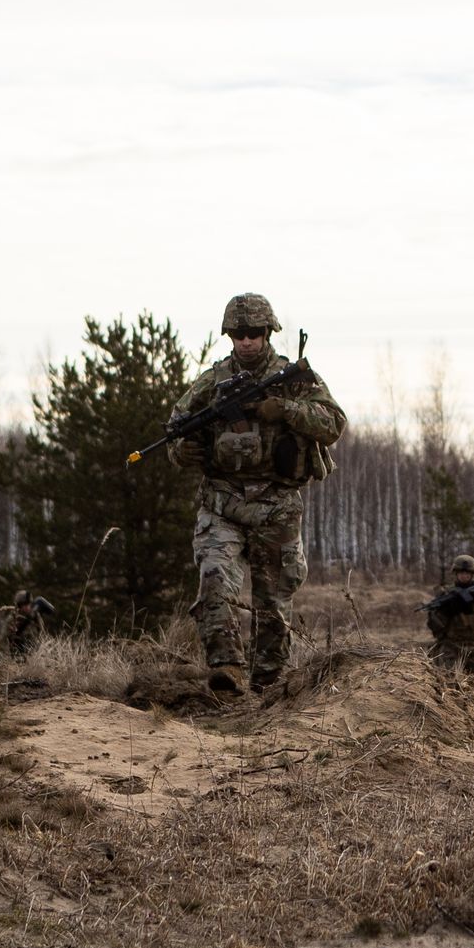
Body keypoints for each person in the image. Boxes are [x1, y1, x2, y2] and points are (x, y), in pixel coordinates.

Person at [169, 294, 346, 693]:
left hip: (276, 506)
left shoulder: (294, 377)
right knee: (214, 585)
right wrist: (183, 450)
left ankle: (268, 686)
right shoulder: (212, 382)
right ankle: (228, 671)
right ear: (229, 336)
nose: (246, 341)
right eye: (239, 334)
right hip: (222, 503)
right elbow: (177, 428)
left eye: (254, 333)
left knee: (273, 604)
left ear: (268, 333)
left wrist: (285, 409)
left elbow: (334, 422)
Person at [425, 553, 474, 674]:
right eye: (461, 573)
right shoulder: (446, 594)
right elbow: (434, 626)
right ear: (456, 574)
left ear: (472, 574)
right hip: (451, 646)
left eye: (467, 573)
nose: (464, 576)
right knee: (449, 680)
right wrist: (447, 611)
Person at [1, 590, 53, 658]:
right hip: (17, 654)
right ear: (19, 605)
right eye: (24, 605)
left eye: (29, 604)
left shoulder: (35, 616)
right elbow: (3, 641)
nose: (27, 607)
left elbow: (41, 633)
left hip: (34, 653)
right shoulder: (12, 619)